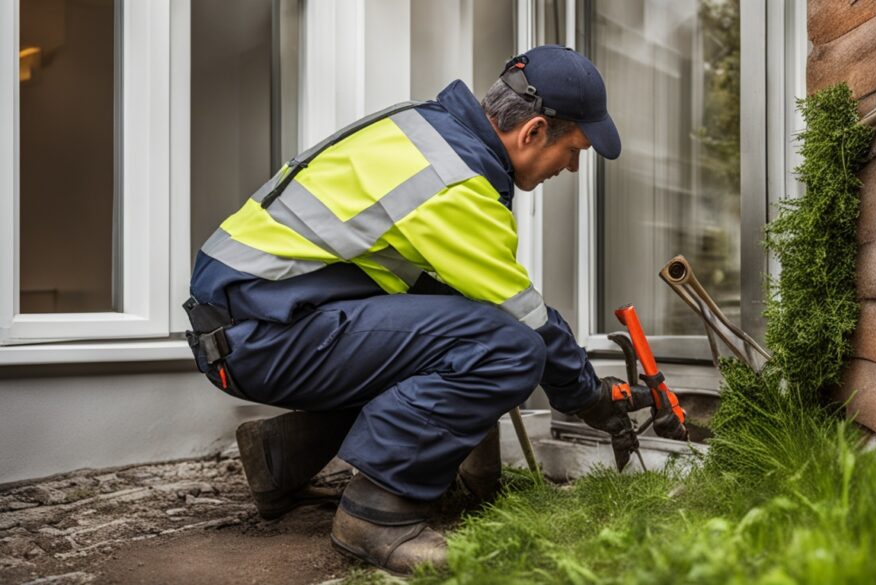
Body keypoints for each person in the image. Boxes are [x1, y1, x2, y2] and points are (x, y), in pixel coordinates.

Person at [183, 44, 636, 574]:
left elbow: (450, 309)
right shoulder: (455, 182)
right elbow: (524, 321)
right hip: (260, 338)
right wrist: (590, 398)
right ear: (533, 131)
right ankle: (378, 515)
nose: (574, 167)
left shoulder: (429, 131)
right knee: (507, 346)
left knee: (468, 327)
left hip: (256, 324)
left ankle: (283, 457)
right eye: (575, 149)